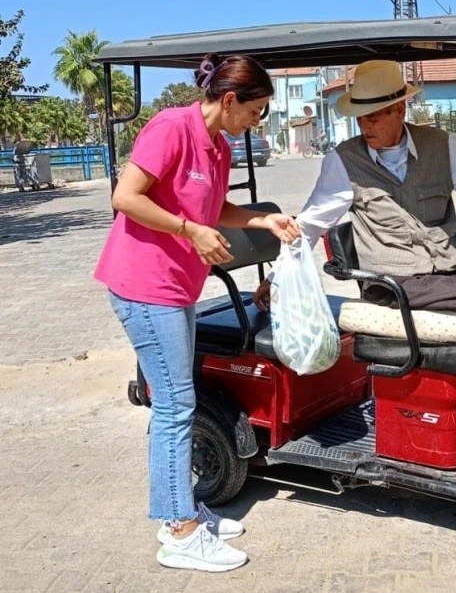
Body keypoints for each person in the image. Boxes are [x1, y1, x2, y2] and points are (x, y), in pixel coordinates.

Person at [254, 59, 456, 484]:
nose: (364, 126)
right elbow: (311, 224)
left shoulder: (442, 146)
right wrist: (277, 277)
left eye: (373, 117)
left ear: (400, 111)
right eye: (359, 117)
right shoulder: (344, 162)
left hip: (454, 271)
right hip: (397, 286)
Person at [94, 52, 300, 572]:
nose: (259, 121)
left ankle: (182, 509)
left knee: (178, 401)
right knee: (175, 405)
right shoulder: (171, 128)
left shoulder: (219, 145)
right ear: (229, 100)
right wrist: (188, 231)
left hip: (177, 289)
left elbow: (214, 211)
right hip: (144, 286)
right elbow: (126, 197)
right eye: (256, 111)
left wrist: (263, 222)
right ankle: (179, 531)